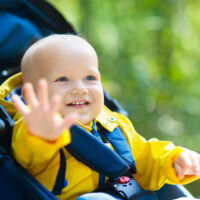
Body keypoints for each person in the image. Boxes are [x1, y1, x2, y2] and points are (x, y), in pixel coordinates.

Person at [0, 34, 199, 200]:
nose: (80, 88)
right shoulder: (31, 127)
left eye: (90, 78)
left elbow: (145, 157)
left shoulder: (113, 123)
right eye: (62, 79)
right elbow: (29, 152)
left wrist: (174, 159)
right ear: (32, 95)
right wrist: (41, 134)